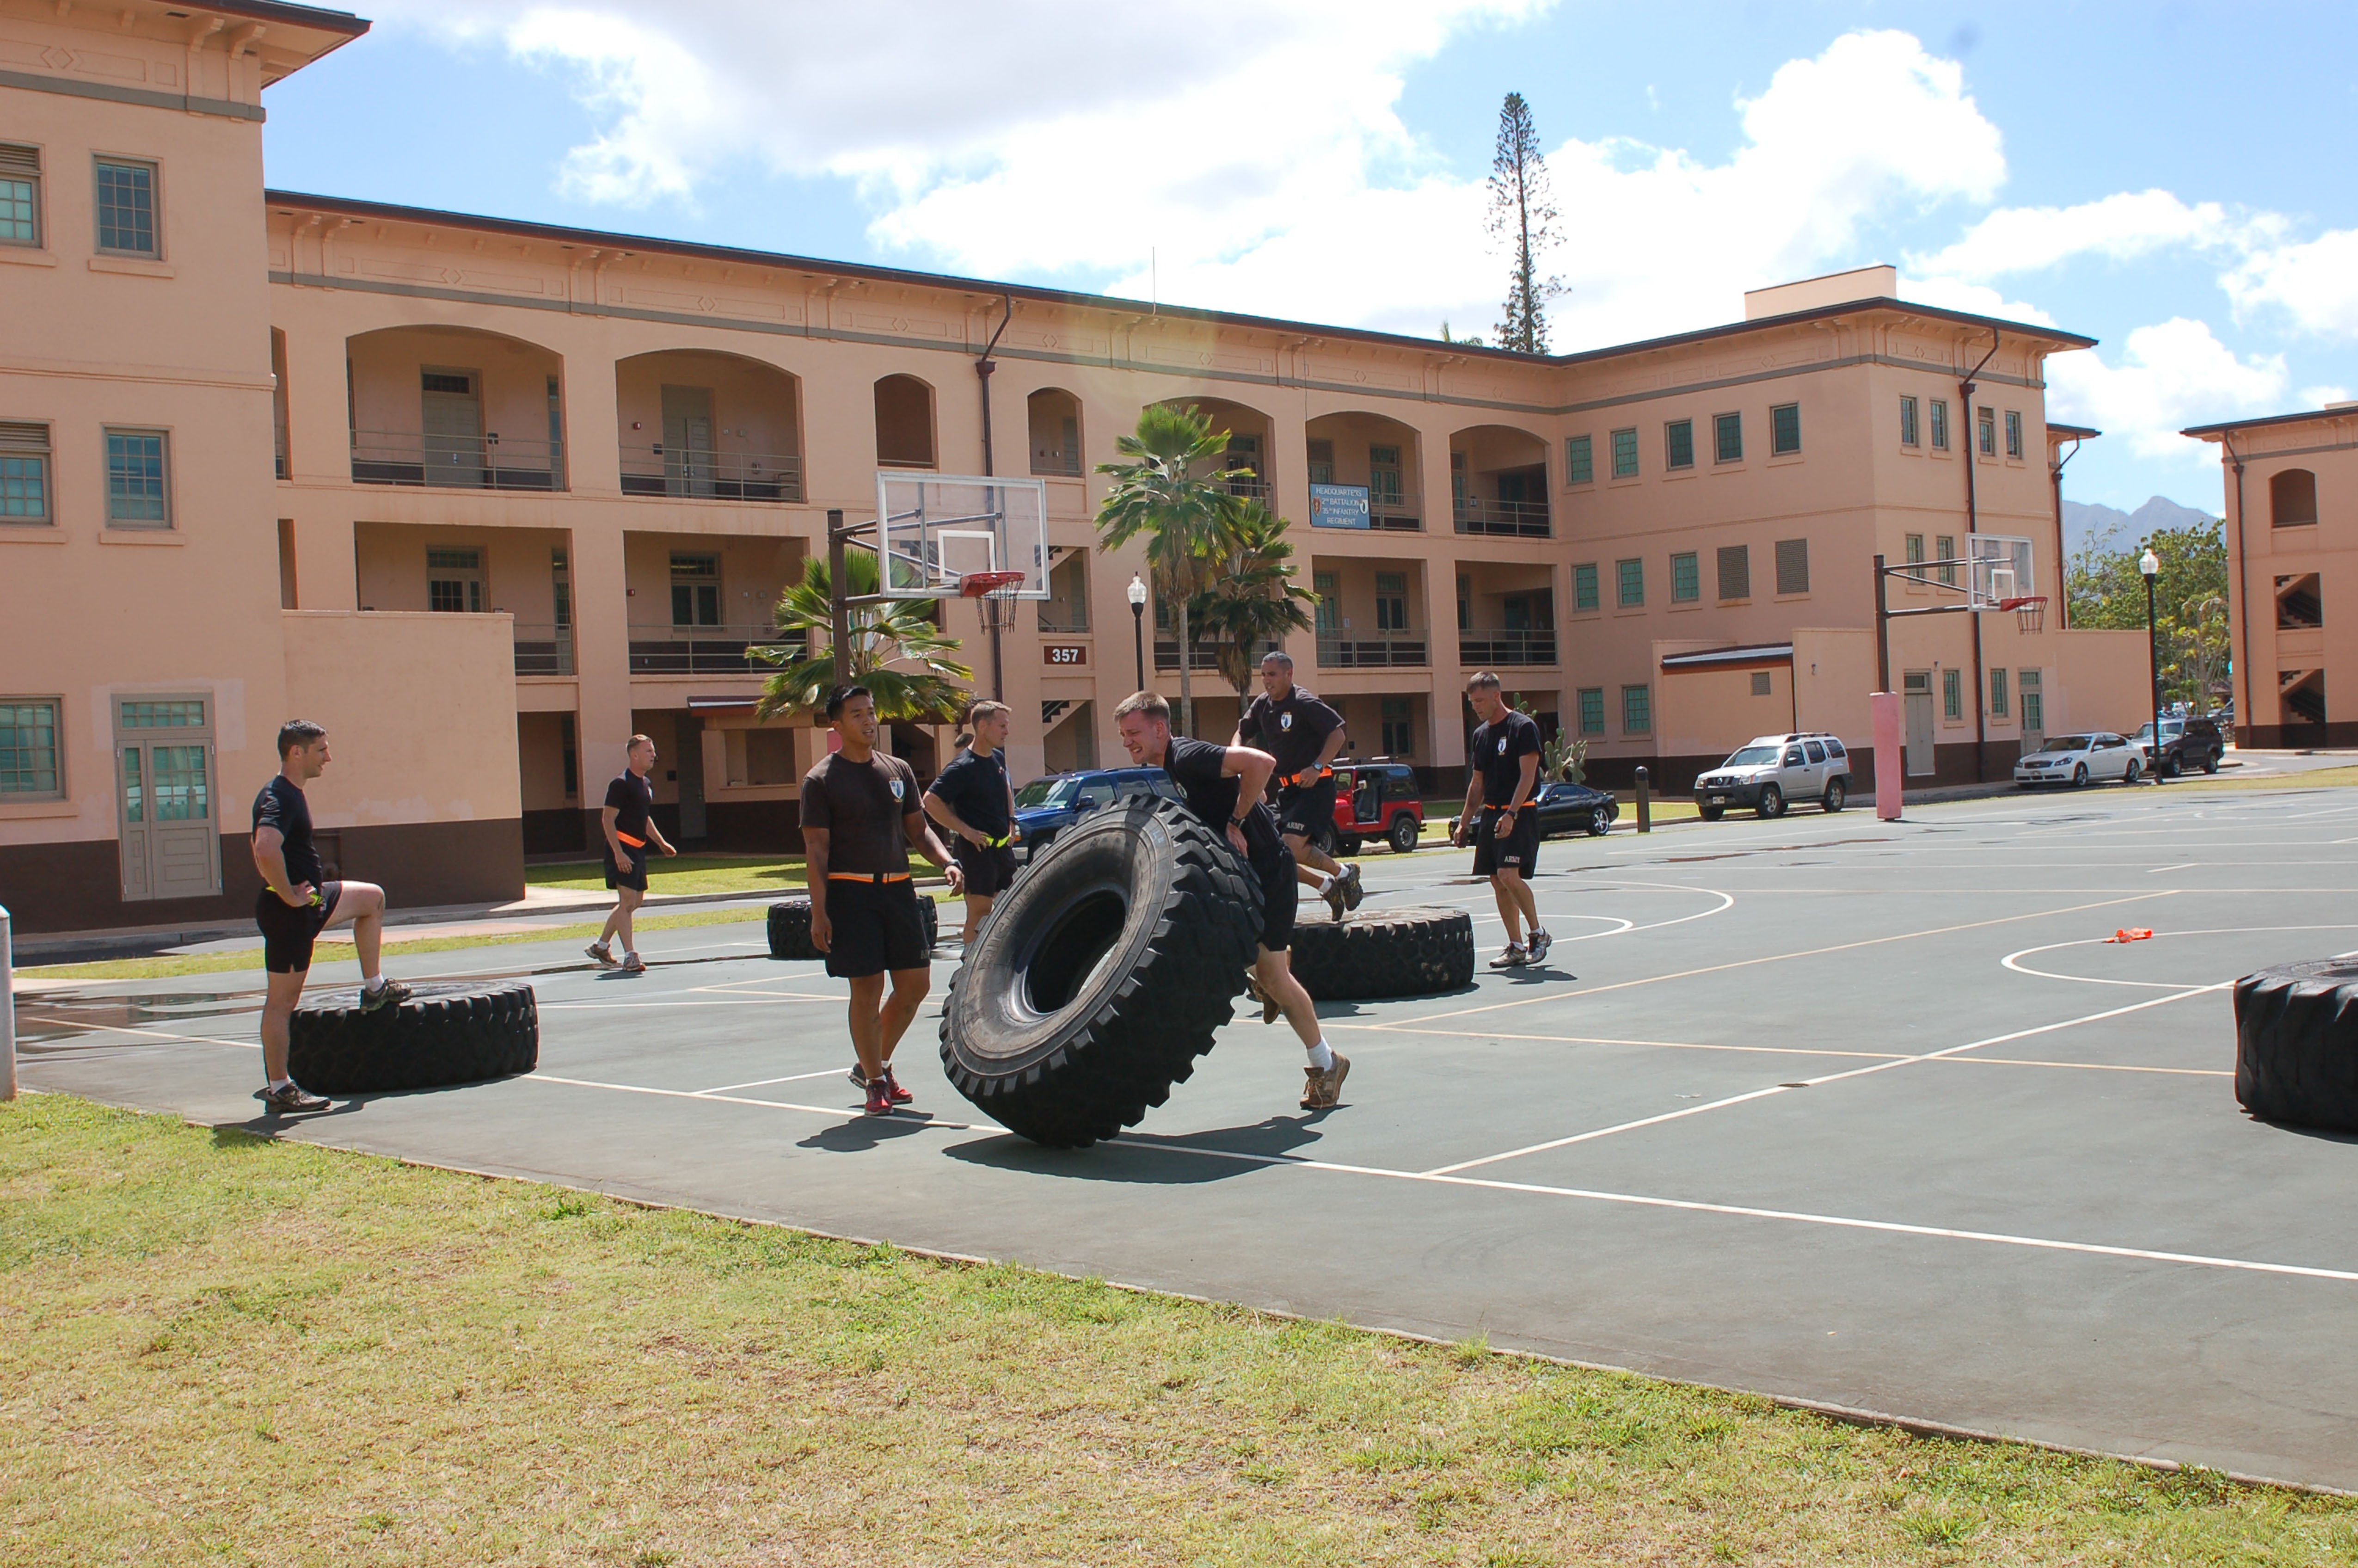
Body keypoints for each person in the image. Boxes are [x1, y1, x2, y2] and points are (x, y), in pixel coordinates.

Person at [1115, 690, 1350, 1111]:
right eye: (1123, 735)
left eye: (1134, 732)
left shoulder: (1185, 754)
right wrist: (1243, 806)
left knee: (1275, 977)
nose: (1127, 741)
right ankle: (1268, 970)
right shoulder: (1176, 765)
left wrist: (1236, 820)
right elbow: (1250, 785)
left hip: (1272, 874)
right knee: (1243, 953)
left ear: (1160, 728)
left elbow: (1262, 763)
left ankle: (1327, 1062)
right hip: (1250, 873)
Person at [802, 685, 963, 1117]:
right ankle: (875, 1081)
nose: (868, 720)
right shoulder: (821, 780)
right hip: (850, 893)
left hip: (899, 890)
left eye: (871, 712)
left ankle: (875, 1062)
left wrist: (947, 860)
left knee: (915, 985)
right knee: (868, 988)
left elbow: (919, 829)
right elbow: (816, 849)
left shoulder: (898, 770)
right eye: (857, 714)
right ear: (837, 725)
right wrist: (819, 911)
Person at [249, 719, 412, 1113]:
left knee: (372, 899)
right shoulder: (279, 796)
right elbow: (264, 848)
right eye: (321, 750)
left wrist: (299, 893)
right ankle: (279, 1087)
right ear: (296, 752)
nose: (329, 757)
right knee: (281, 1004)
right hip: (290, 914)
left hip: (313, 901)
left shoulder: (290, 793)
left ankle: (374, 988)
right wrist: (288, 894)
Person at [1233, 651, 1361, 921]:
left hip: (1316, 787)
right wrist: (1237, 758)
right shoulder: (1262, 705)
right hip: (1287, 792)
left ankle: (1345, 874)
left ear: (1289, 675)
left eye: (1273, 675)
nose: (1267, 681)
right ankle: (1328, 885)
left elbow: (1338, 733)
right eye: (1264, 675)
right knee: (1272, 853)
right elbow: (1242, 732)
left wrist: (1317, 766)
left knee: (1290, 846)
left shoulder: (1303, 702)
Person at [1454, 671, 1552, 968]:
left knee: (1509, 874)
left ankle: (1538, 934)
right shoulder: (1481, 735)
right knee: (1497, 880)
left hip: (1520, 812)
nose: (1477, 707)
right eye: (1472, 702)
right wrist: (1464, 821)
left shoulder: (1523, 727)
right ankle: (1516, 946)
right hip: (1491, 814)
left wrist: (1512, 813)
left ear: (1497, 696)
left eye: (1481, 700)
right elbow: (1478, 783)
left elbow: (1528, 775)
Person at [923, 699, 1019, 948]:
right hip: (977, 851)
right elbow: (930, 801)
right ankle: (969, 970)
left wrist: (1012, 821)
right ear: (984, 727)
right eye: (1002, 726)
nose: (1007, 731)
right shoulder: (962, 767)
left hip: (1002, 849)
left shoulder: (998, 758)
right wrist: (965, 831)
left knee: (1013, 906)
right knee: (980, 913)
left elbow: (1006, 787)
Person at [586, 734, 678, 973]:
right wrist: (618, 853)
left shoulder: (645, 784)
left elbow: (644, 818)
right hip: (622, 849)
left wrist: (661, 843)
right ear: (634, 755)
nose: (653, 755)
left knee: (635, 902)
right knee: (627, 902)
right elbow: (607, 819)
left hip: (638, 850)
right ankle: (631, 956)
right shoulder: (621, 784)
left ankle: (601, 946)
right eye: (648, 751)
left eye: (653, 750)